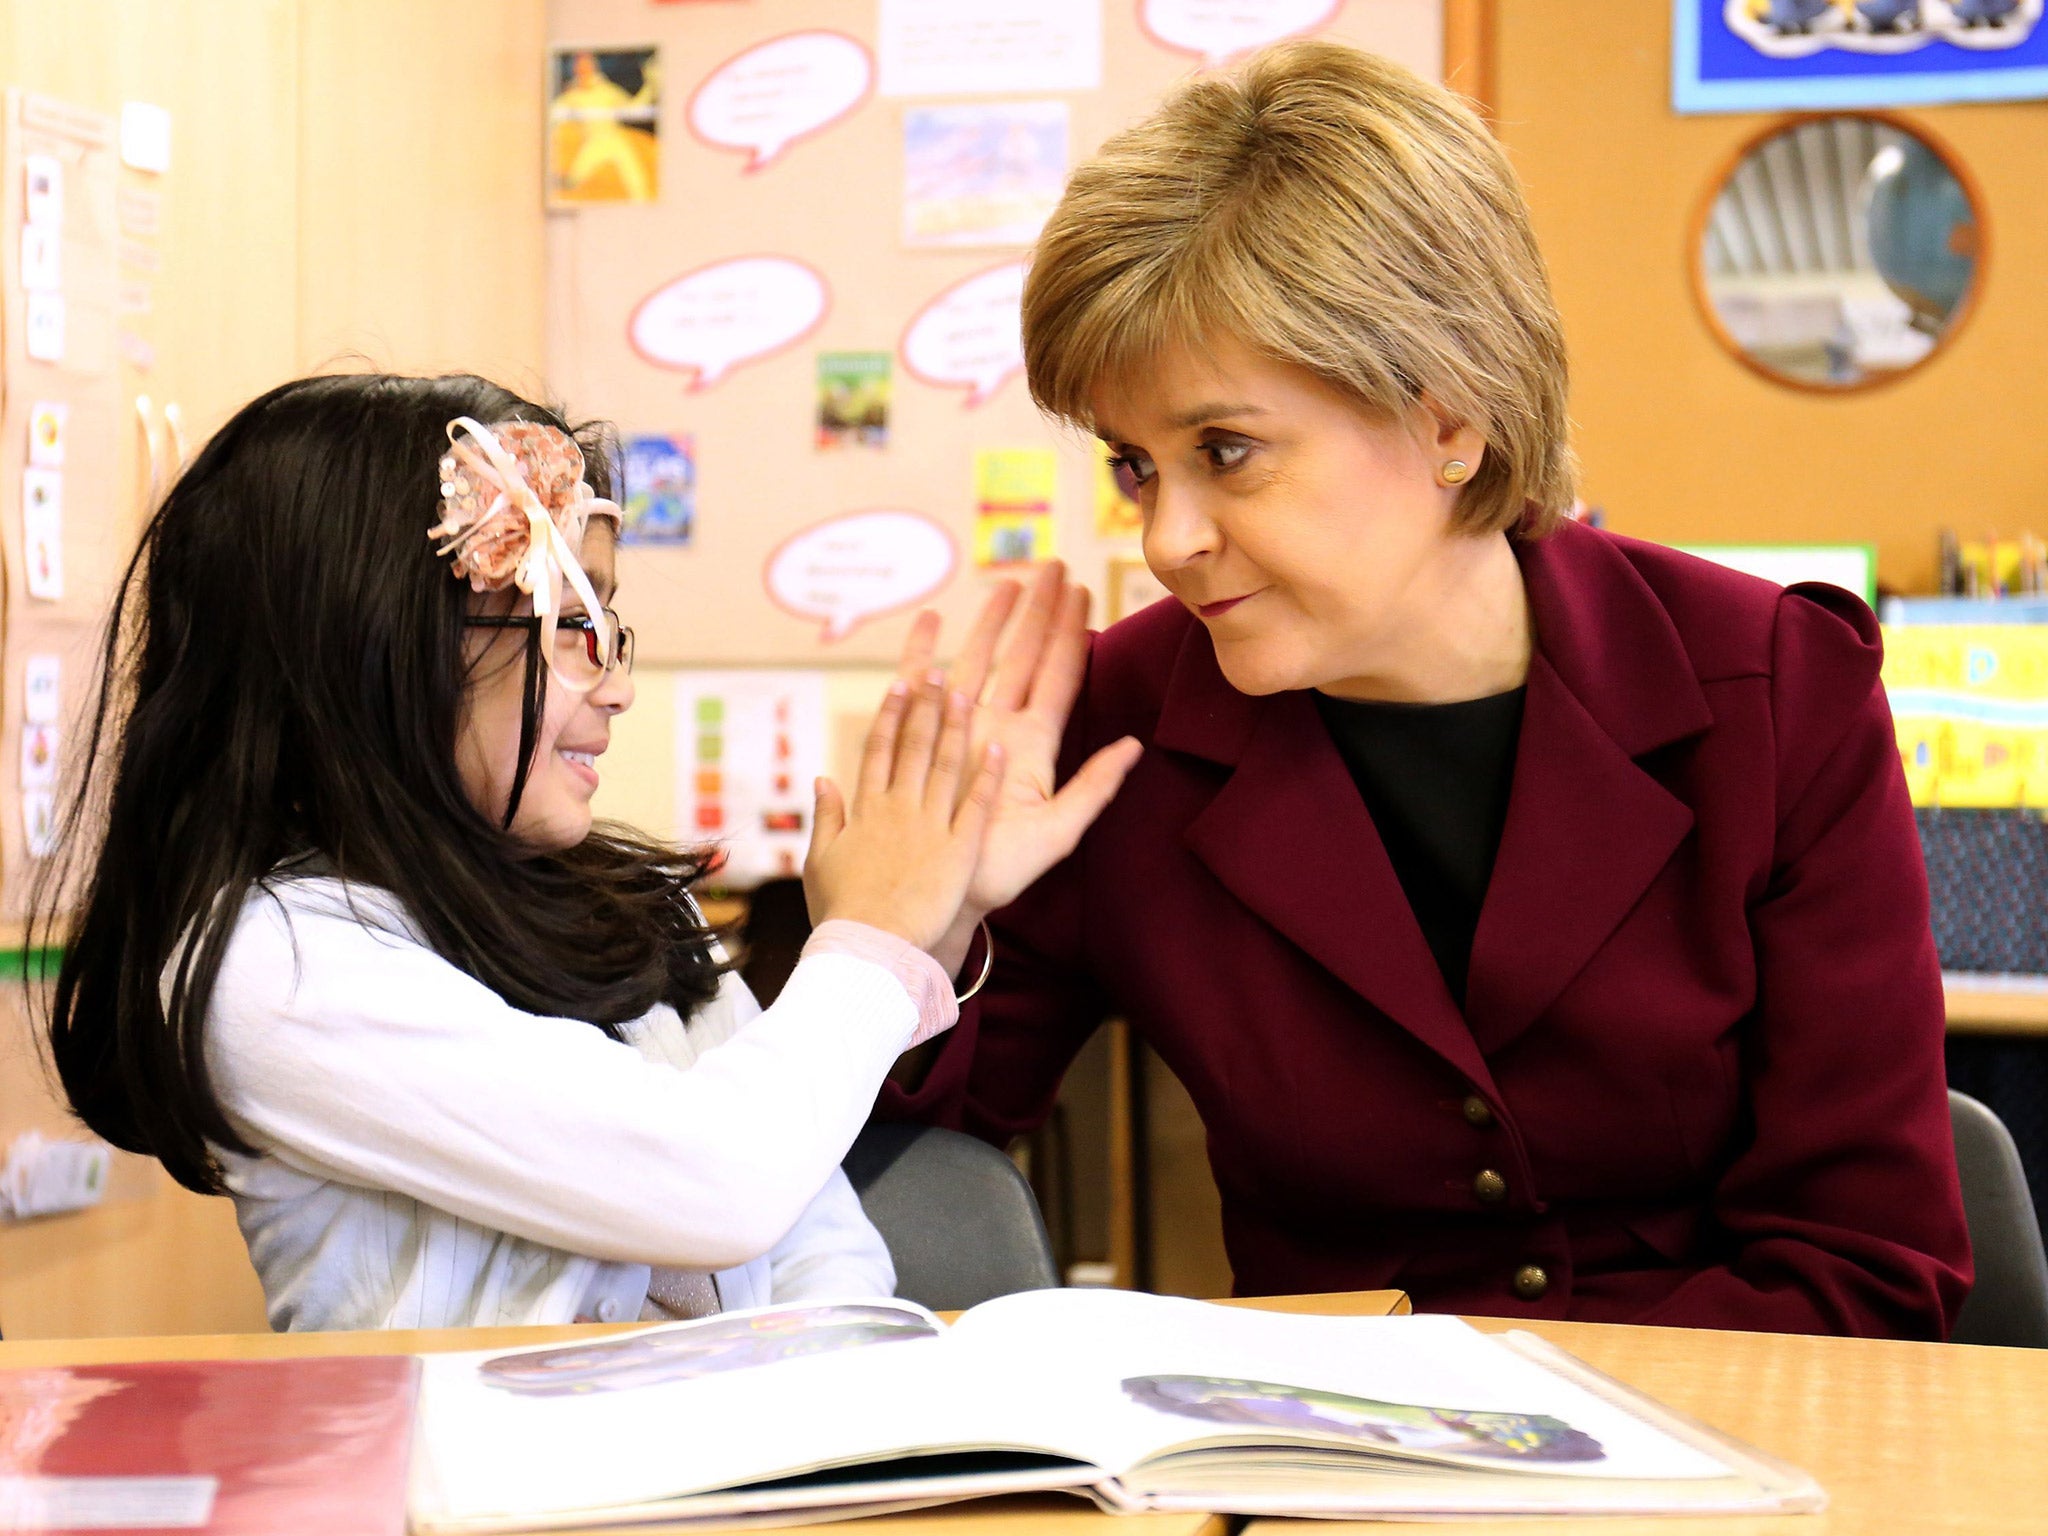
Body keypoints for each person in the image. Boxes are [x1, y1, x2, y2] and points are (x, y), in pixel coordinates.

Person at [881, 41, 1970, 1337]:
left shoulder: (1774, 691)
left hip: (1727, 1457)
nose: (1166, 539)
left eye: (1227, 452)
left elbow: (1869, 1263)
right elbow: (894, 1191)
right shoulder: (1117, 724)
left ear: (1450, 418)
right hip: (1319, 1465)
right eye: (1136, 465)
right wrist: (904, 936)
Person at [40, 373, 1133, 1331]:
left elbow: (820, 1249)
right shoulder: (265, 964)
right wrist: (878, 938)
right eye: (572, 625)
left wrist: (920, 921)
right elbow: (721, 1182)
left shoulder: (626, 910)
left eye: (610, 628)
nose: (614, 683)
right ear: (376, 653)